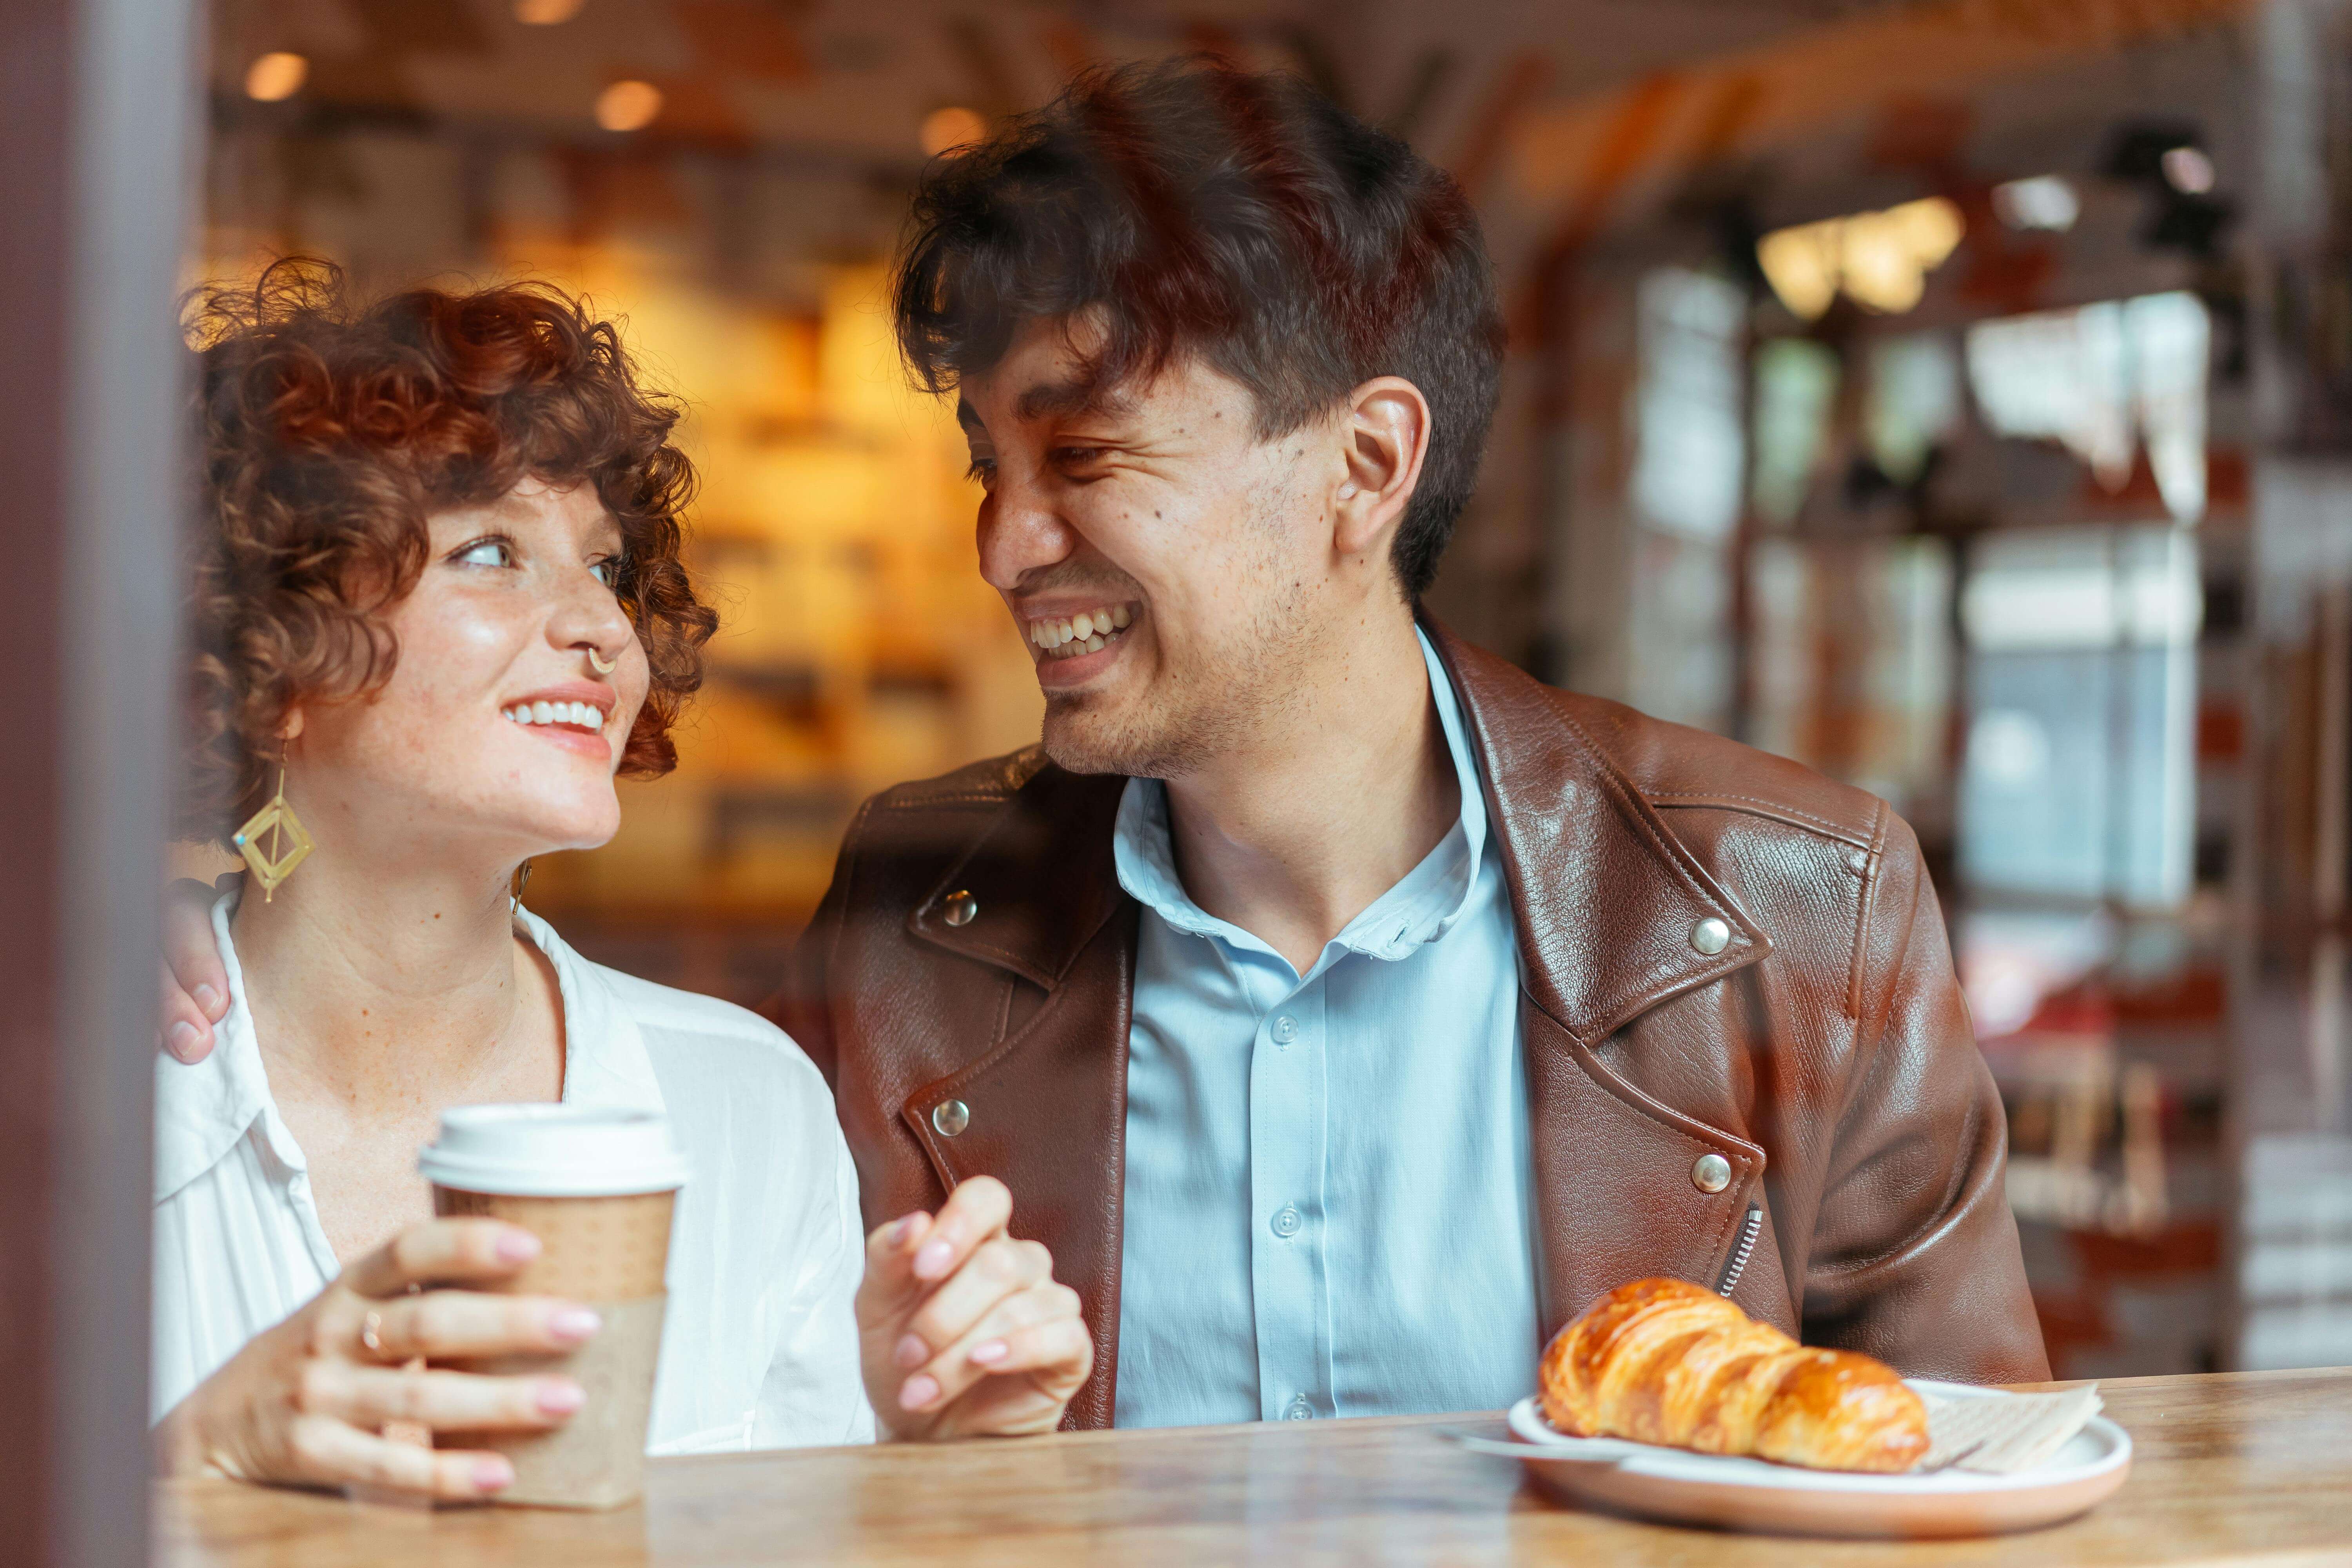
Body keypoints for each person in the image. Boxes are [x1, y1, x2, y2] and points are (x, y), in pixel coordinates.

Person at [163, 59, 2050, 1434]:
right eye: (993, 464)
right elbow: (826, 1455)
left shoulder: (1799, 907)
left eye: (1087, 455)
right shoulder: (914, 913)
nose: (1001, 545)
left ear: (1364, 469)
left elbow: (1962, 1471)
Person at [150, 266, 1089, 1502]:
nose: (602, 628)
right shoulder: (77, 1096)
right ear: (265, 655)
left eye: (602, 567)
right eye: (492, 552)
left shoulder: (745, 1103)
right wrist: (185, 1458)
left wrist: (932, 1471)